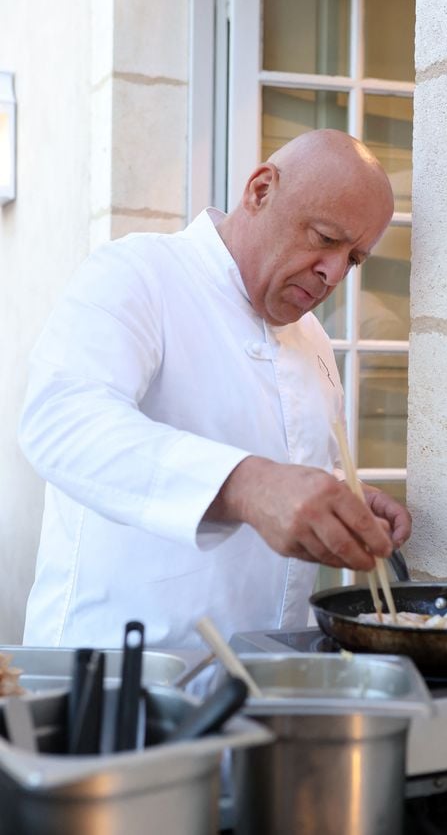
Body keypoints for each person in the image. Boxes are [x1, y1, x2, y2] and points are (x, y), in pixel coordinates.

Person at [18, 129, 411, 657]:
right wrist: (248, 486)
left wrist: (338, 495)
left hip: (262, 675)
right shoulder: (138, 274)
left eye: (355, 259)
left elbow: (275, 458)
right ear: (260, 189)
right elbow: (63, 422)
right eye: (324, 238)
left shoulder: (311, 337)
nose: (334, 272)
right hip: (116, 672)